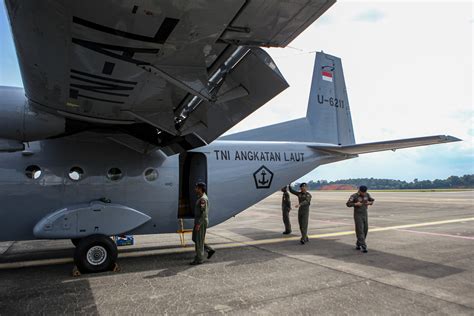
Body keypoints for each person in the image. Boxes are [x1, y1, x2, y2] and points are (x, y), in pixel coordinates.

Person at [190, 182, 215, 265]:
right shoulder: (200, 197)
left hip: (201, 222)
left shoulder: (203, 199)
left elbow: (203, 213)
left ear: (200, 189)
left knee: (199, 240)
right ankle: (209, 249)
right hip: (198, 221)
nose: (195, 189)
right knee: (195, 238)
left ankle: (199, 259)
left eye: (196, 188)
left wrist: (198, 224)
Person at [346, 185, 375, 253]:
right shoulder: (354, 196)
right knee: (360, 230)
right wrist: (355, 204)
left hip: (365, 214)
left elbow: (372, 200)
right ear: (359, 191)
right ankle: (363, 246)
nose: (364, 193)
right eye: (363, 192)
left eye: (365, 192)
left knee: (365, 229)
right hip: (358, 215)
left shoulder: (367, 194)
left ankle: (358, 244)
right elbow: (348, 204)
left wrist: (370, 203)